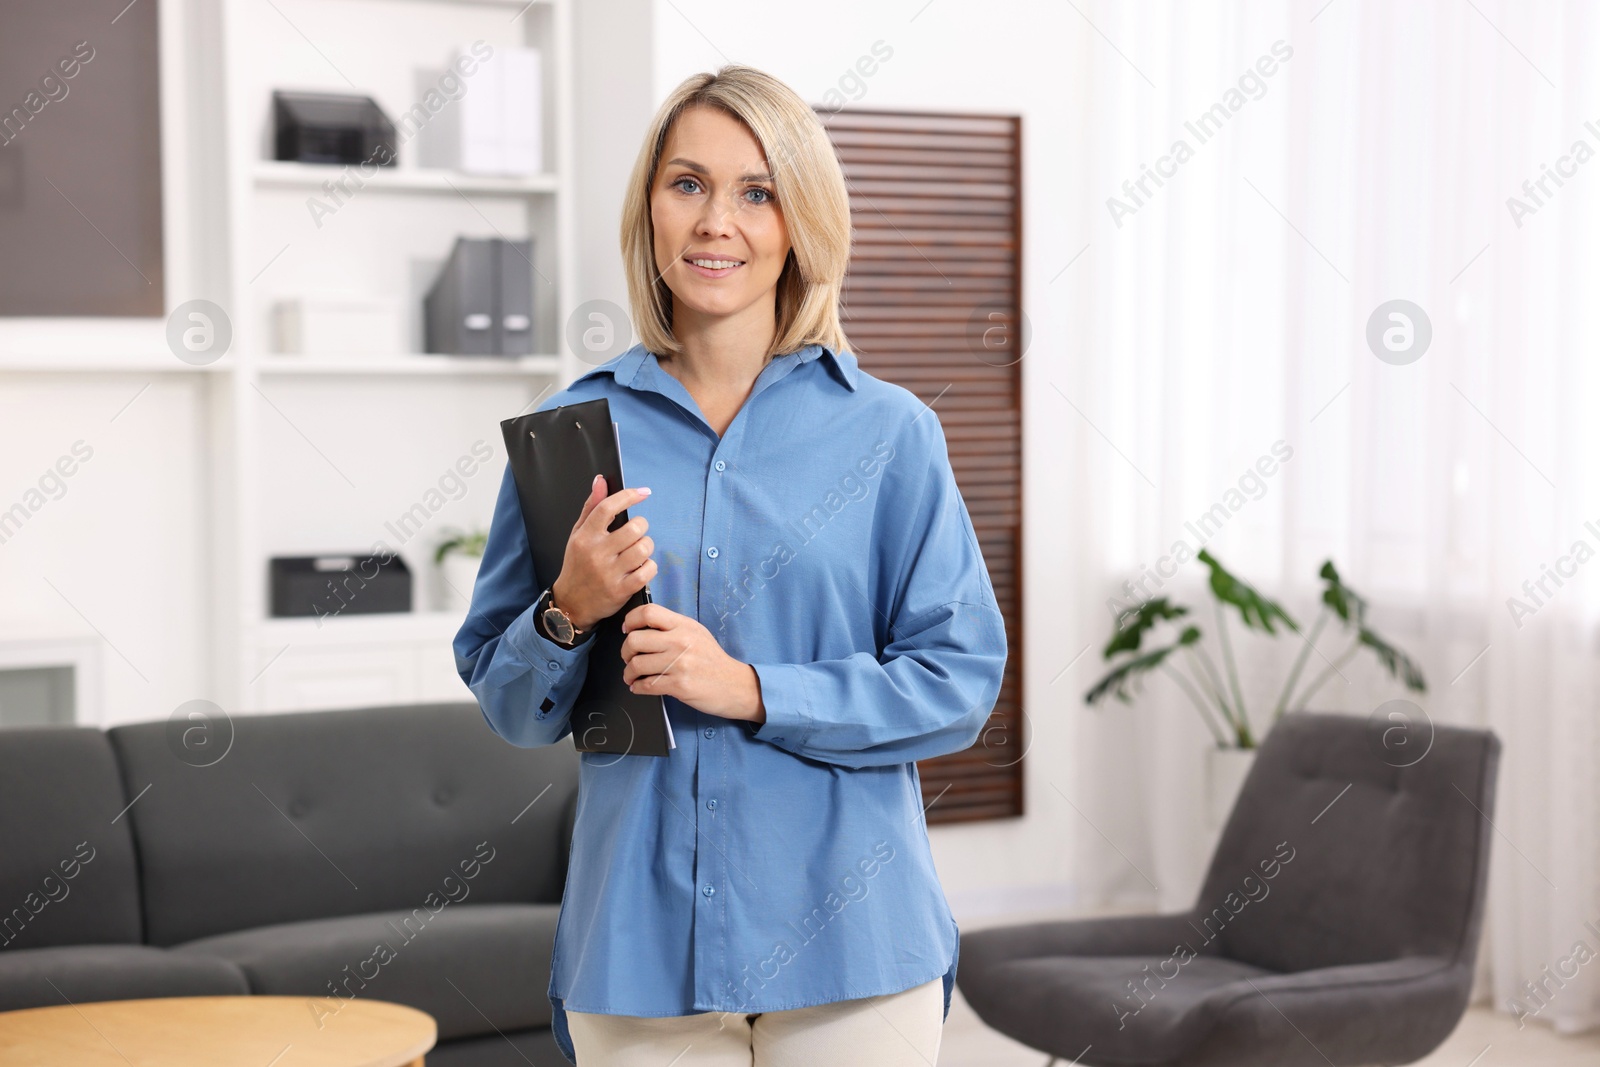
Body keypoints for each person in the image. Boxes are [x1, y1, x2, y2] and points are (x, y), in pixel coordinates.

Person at [454, 63, 1008, 1067]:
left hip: (855, 949)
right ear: (650, 210)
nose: (718, 221)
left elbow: (958, 682)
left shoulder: (890, 434)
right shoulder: (568, 431)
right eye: (688, 184)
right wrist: (566, 613)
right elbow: (506, 701)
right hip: (636, 952)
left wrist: (751, 688)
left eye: (757, 192)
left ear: (800, 221)